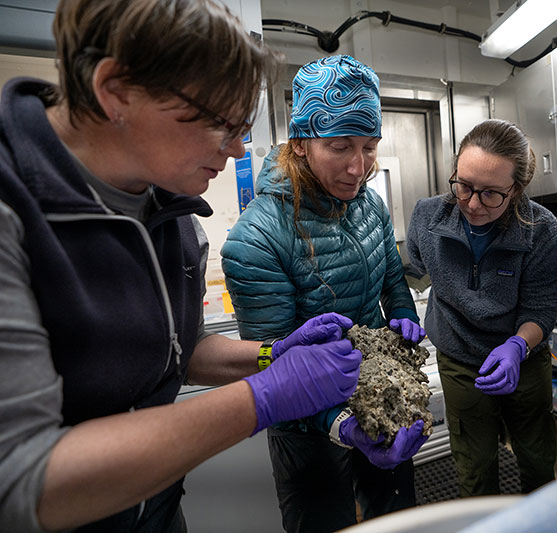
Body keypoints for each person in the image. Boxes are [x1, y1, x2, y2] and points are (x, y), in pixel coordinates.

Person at [0, 2, 366, 532]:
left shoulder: (170, 210)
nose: (240, 151)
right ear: (117, 90)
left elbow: (178, 349)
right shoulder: (13, 209)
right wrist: (260, 398)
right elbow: (23, 479)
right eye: (222, 124)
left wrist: (269, 355)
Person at [220, 54, 428, 533]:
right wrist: (343, 424)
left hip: (379, 392)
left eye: (370, 147)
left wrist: (400, 311)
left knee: (395, 518)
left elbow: (392, 276)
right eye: (341, 147)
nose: (359, 168)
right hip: (305, 427)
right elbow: (275, 361)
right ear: (300, 145)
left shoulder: (368, 204)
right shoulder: (258, 239)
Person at [406, 119, 557, 497]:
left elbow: (542, 307)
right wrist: (401, 309)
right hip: (460, 358)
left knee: (537, 459)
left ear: (517, 189)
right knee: (474, 466)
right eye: (464, 186)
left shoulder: (541, 230)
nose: (473, 204)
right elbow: (409, 273)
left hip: (524, 359)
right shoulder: (428, 217)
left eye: (492, 194)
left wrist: (517, 346)